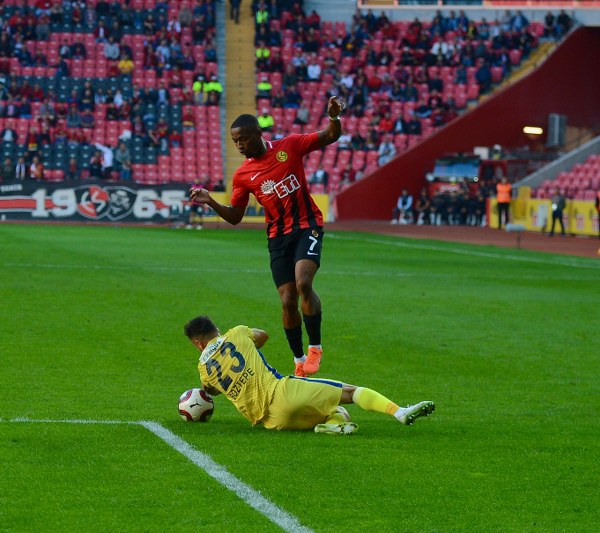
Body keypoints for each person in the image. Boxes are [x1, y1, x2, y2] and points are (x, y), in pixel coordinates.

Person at [189, 96, 345, 378]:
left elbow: (331, 135)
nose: (239, 145)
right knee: (287, 300)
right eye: (235, 141)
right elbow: (236, 217)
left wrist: (333, 117)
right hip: (277, 237)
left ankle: (315, 349)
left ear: (259, 134)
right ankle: (299, 360)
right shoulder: (243, 176)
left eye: (244, 139)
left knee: (303, 283)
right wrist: (210, 201)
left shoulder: (290, 145)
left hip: (306, 224)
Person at [184, 314, 436, 434]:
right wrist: (246, 343)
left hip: (273, 422)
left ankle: (329, 427)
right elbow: (263, 335)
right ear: (216, 329)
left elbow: (211, 391)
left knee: (336, 412)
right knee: (350, 392)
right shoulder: (236, 332)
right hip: (282, 392)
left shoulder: (203, 369)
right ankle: (399, 412)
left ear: (197, 343)